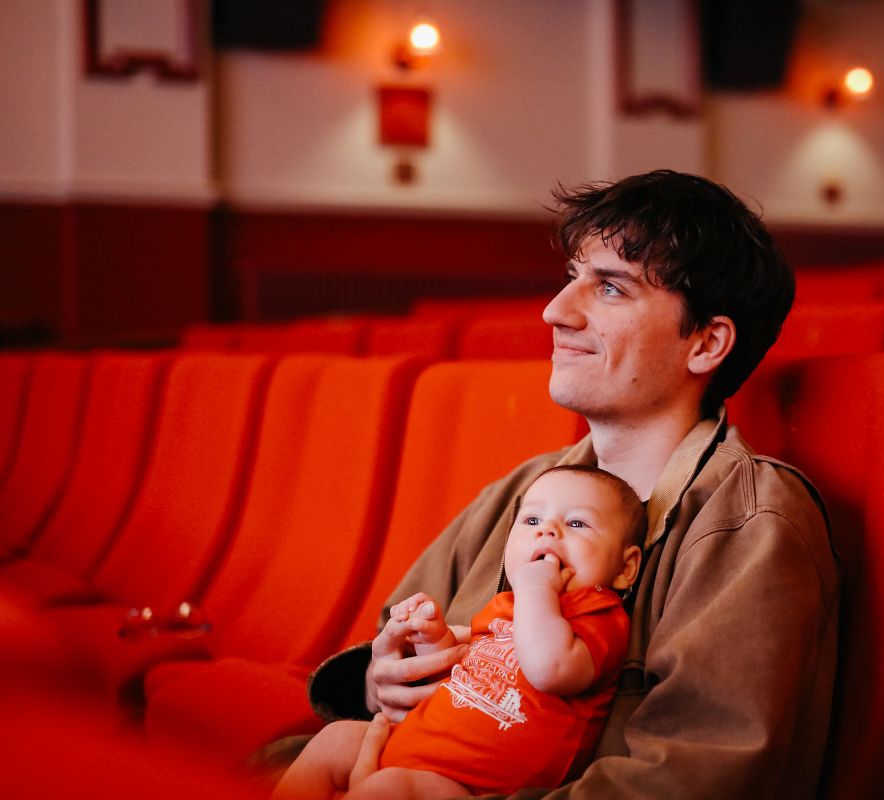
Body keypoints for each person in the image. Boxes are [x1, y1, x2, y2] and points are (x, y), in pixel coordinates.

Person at [304, 169, 841, 798]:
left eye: (610, 288)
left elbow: (689, 780)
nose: (555, 311)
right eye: (571, 276)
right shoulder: (524, 487)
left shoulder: (749, 523)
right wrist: (384, 679)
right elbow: (391, 645)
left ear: (706, 342)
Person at [273, 465, 648, 799]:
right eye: (532, 520)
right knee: (334, 740)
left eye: (577, 524)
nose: (547, 531)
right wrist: (432, 637)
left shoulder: (598, 616)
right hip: (414, 744)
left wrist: (536, 589)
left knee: (384, 790)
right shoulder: (506, 604)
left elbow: (550, 670)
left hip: (468, 783)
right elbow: (458, 671)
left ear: (625, 568)